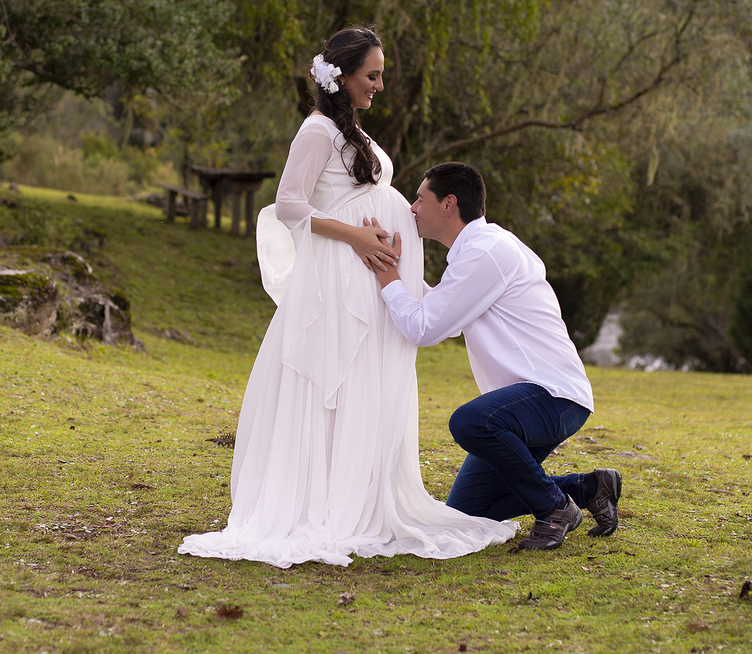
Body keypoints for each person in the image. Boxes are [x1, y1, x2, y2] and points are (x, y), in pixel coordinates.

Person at [178, 30, 518, 568]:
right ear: (341, 74)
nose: (380, 86)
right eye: (372, 75)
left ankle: (360, 496)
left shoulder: (351, 130)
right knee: (332, 380)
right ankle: (324, 504)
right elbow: (289, 205)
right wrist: (357, 235)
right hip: (339, 276)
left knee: (367, 383)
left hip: (368, 276)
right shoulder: (315, 131)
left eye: (381, 76)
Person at [370, 162, 622, 551]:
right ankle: (586, 487)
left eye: (420, 198)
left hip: (551, 395)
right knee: (466, 514)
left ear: (449, 203)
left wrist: (388, 281)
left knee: (470, 422)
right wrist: (397, 270)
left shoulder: (486, 253)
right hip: (531, 403)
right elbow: (445, 317)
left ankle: (556, 509)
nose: (413, 208)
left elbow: (425, 329)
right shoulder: (480, 250)